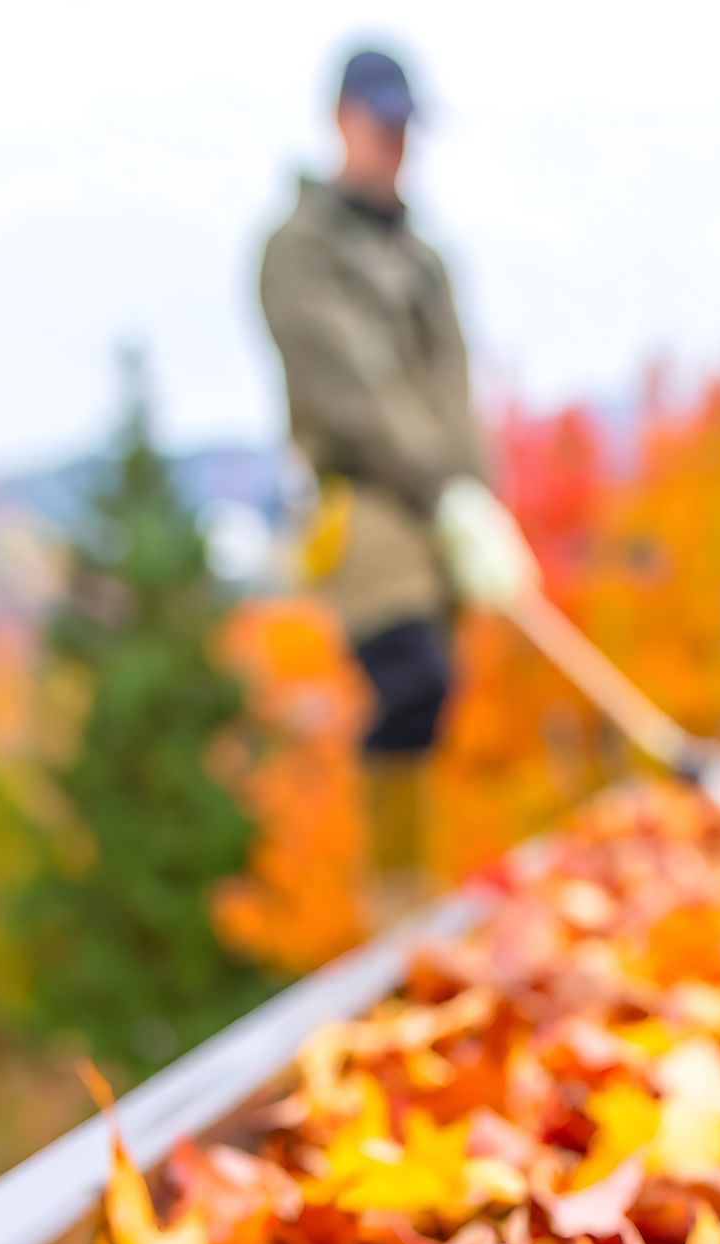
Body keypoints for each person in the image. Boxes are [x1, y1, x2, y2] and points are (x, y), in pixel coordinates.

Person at [260, 47, 537, 889]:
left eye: (406, 128)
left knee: (440, 702)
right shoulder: (298, 253)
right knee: (409, 675)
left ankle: (425, 884)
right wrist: (441, 488)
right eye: (383, 125)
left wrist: (480, 497)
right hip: (364, 500)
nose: (396, 144)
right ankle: (393, 900)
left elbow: (454, 385)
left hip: (444, 502)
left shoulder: (424, 261)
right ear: (341, 120)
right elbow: (353, 391)